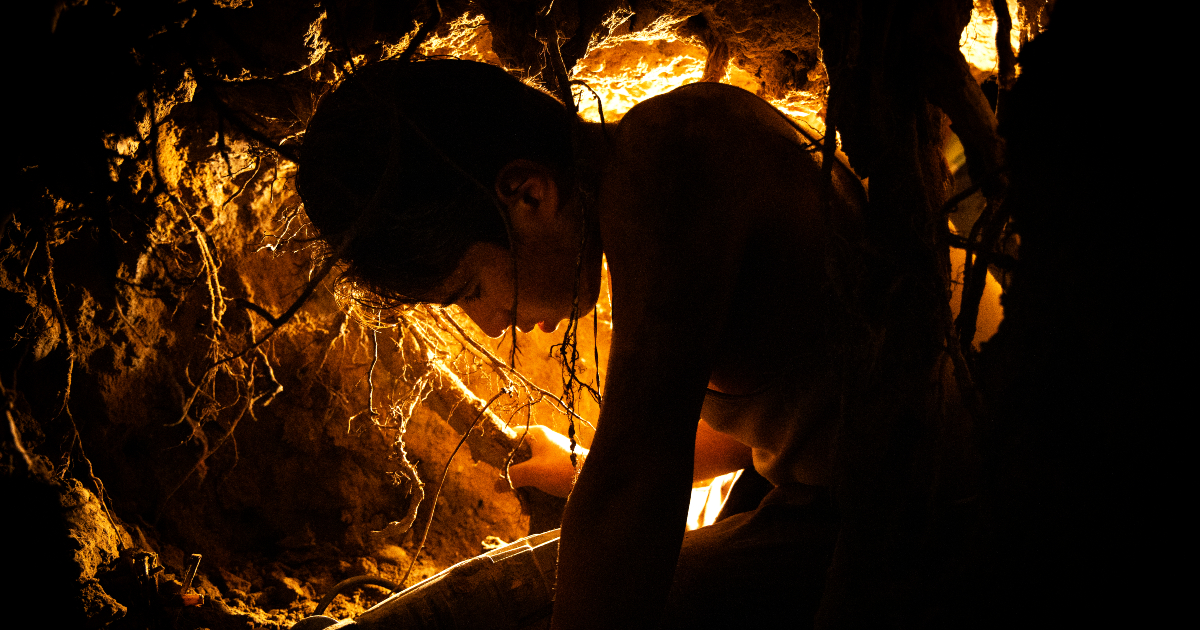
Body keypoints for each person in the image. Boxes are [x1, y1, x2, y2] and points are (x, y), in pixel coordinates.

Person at [298, 58, 866, 630]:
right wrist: (579, 464)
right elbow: (773, 426)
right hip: (823, 505)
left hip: (894, 531)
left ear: (529, 196)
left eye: (472, 289)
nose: (491, 324)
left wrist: (606, 479)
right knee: (499, 589)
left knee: (529, 609)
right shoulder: (670, 145)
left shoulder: (668, 172)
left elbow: (636, 477)